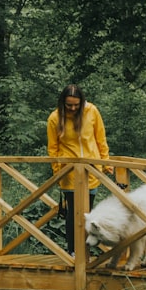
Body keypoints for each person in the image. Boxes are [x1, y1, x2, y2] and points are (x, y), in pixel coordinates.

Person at [46, 84, 113, 254]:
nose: (73, 108)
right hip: (69, 172)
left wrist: (106, 162)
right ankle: (73, 251)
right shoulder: (54, 118)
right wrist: (57, 172)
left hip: (92, 170)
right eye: (69, 105)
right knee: (72, 213)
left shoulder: (92, 111)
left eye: (76, 104)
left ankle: (85, 250)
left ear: (82, 102)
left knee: (88, 213)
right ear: (63, 103)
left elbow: (100, 138)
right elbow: (53, 148)